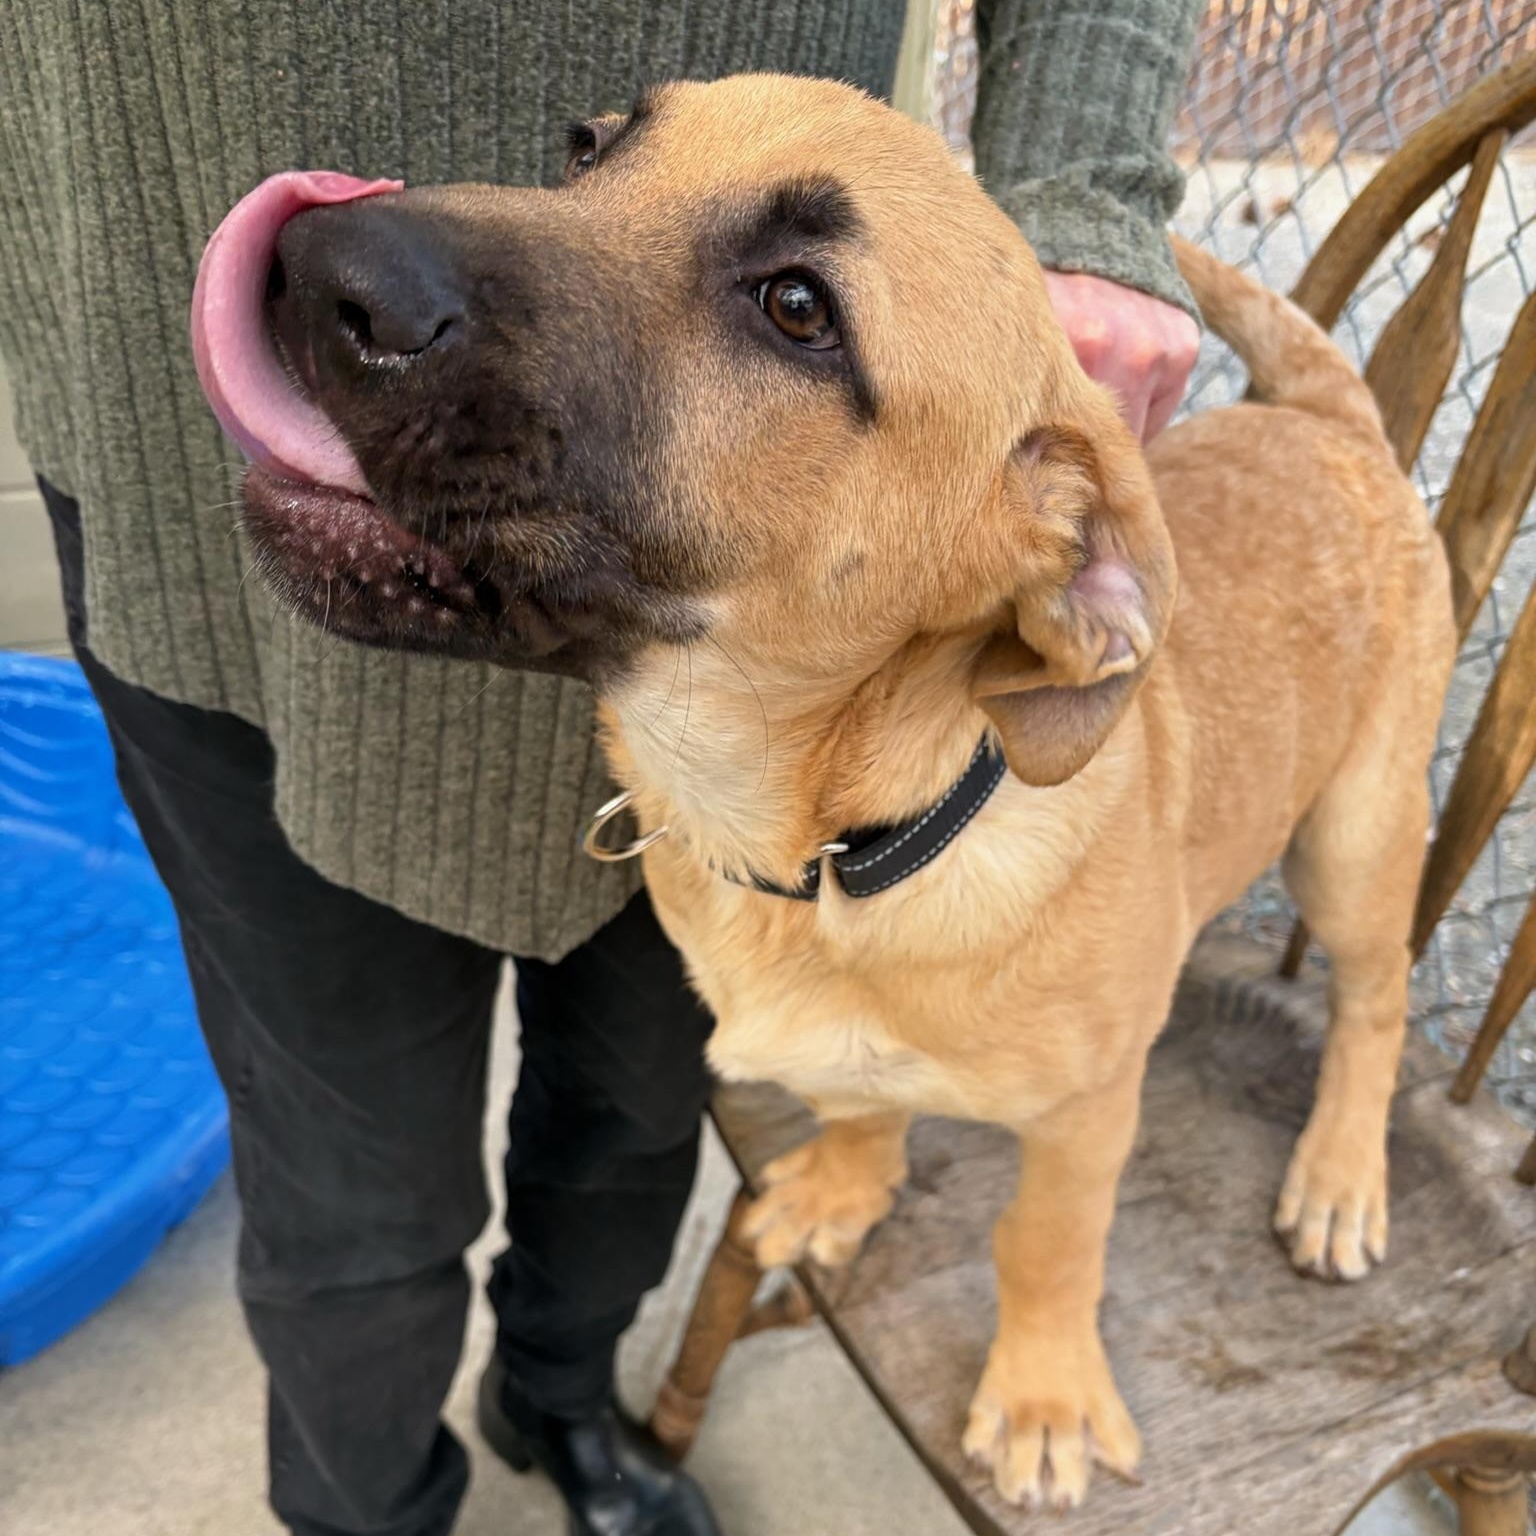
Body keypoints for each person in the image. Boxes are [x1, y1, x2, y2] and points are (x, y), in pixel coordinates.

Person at [0, 2, 1203, 1533]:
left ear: (1047, 573)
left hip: (711, 719)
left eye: (790, 310)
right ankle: (363, 1512)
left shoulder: (947, 620)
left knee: (631, 1128)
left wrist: (1087, 189)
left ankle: (558, 1402)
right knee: (350, 1196)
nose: (385, 260)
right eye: (594, 158)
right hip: (166, 383)